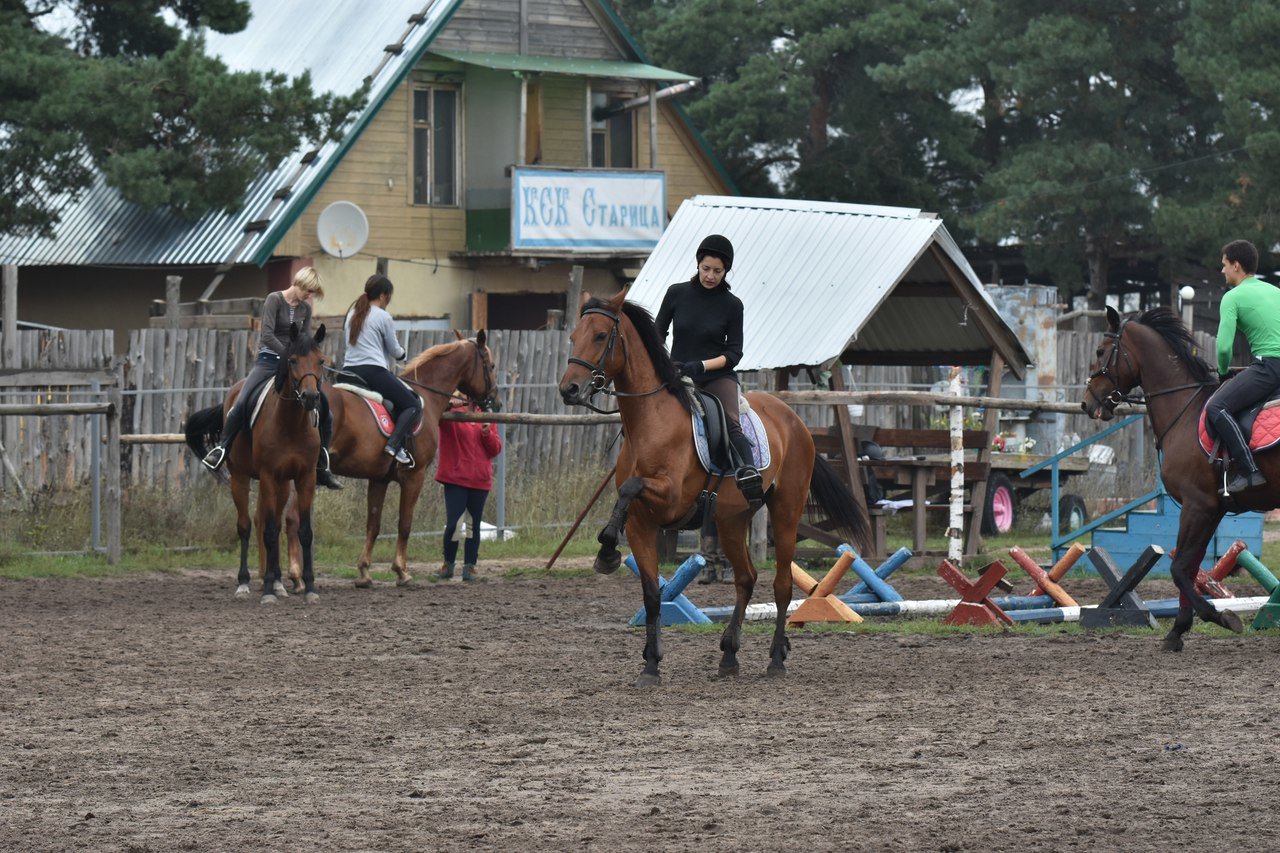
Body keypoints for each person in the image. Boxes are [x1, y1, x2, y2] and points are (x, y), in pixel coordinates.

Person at [202, 267, 342, 489]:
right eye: (309, 291)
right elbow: (266, 335)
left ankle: (322, 463)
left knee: (326, 410)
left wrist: (305, 357)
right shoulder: (274, 300)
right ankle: (222, 448)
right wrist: (287, 355)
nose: (310, 296)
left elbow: (304, 340)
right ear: (300, 284)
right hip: (268, 362)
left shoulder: (305, 309)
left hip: (295, 366)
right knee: (241, 402)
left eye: (313, 293)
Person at [655, 233, 763, 510]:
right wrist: (667, 364)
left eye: (717, 270)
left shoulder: (732, 305)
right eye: (706, 269)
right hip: (678, 375)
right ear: (698, 265)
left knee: (730, 421)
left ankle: (748, 474)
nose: (711, 276)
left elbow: (734, 354)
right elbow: (657, 334)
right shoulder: (676, 293)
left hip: (716, 376)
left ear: (726, 270)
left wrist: (700, 365)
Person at [1206, 238, 1280, 493]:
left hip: (1270, 367)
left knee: (1216, 406)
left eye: (1224, 264)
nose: (1222, 270)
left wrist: (1224, 372)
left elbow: (1224, 348)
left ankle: (1249, 471)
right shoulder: (1275, 291)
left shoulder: (1233, 297)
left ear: (1236, 265)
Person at [342, 274, 422, 466]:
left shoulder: (352, 314)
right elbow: (394, 350)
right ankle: (394, 445)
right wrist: (403, 355)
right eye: (389, 296)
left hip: (348, 370)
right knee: (413, 405)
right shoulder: (383, 316)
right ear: (384, 295)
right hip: (372, 371)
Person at [434, 396, 503, 582]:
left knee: (473, 526)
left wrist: (487, 433)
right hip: (456, 478)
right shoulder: (452, 413)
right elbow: (435, 415)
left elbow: (495, 449)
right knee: (454, 524)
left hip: (480, 479)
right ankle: (448, 564)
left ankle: (470, 566)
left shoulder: (487, 416)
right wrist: (448, 404)